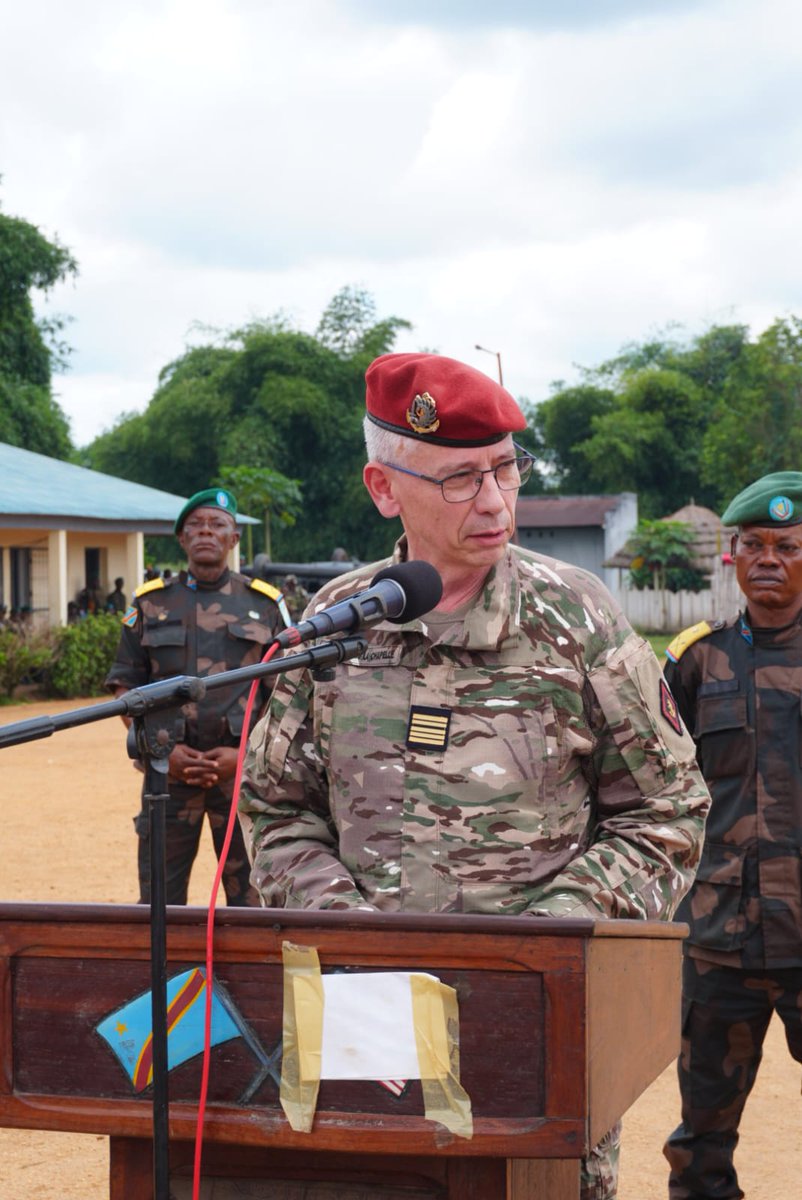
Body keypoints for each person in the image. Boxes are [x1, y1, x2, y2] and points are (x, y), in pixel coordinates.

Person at [238, 352, 711, 1200]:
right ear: (384, 489)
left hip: (534, 1030)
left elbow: (668, 807)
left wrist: (553, 939)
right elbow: (276, 808)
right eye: (460, 479)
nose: (495, 502)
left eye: (505, 469)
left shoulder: (575, 618)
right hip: (363, 1031)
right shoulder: (336, 623)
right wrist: (351, 939)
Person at [662, 471, 802, 1200]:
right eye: (753, 544)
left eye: (787, 545)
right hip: (721, 939)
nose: (768, 558)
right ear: (733, 555)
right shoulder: (695, 659)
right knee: (702, 1141)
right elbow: (654, 787)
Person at [105, 487, 290, 907]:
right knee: (160, 904)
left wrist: (245, 756)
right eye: (196, 525)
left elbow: (287, 694)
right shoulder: (149, 603)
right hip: (167, 777)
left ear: (234, 538)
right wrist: (161, 750)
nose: (206, 531)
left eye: (217, 524)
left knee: (254, 903)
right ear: (182, 538)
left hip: (244, 778)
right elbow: (124, 687)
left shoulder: (265, 604)